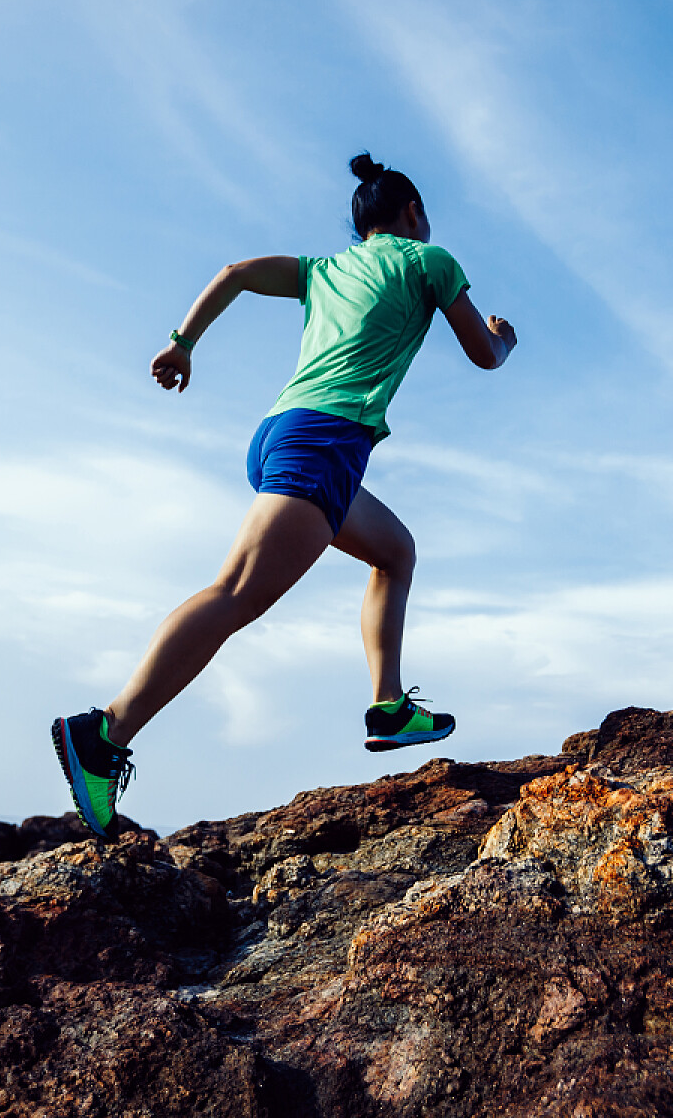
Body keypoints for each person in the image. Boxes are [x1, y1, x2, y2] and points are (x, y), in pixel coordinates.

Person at [53, 153, 517, 838]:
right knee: (236, 593)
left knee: (394, 551)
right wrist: (507, 340)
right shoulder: (429, 261)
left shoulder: (323, 270)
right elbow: (483, 352)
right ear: (413, 213)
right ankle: (104, 734)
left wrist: (182, 344)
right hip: (325, 442)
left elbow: (235, 273)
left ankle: (388, 707)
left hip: (283, 434)